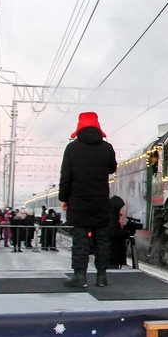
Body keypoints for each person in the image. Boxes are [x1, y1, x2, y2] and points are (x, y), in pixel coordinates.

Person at [59, 112, 117, 288]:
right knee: (102, 239)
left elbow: (65, 176)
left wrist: (63, 198)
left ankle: (80, 276)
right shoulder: (107, 148)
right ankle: (101, 277)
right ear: (97, 125)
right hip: (100, 200)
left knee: (80, 240)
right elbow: (112, 169)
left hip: (78, 201)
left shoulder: (72, 148)